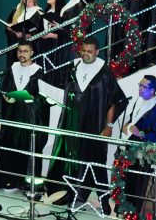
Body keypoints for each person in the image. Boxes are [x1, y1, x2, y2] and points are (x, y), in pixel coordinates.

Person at [46, 37, 126, 215]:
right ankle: (71, 194)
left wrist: (109, 125)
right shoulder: (74, 68)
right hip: (73, 124)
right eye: (83, 50)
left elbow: (113, 101)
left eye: (89, 51)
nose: (85, 54)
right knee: (72, 162)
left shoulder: (104, 73)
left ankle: (104, 200)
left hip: (95, 126)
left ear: (97, 52)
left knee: (97, 164)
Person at [0, 41, 50, 191]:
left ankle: (28, 184)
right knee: (10, 147)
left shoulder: (39, 72)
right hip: (12, 116)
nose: (21, 54)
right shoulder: (12, 69)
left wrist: (31, 99)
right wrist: (6, 97)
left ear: (32, 53)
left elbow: (44, 98)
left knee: (28, 149)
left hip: (29, 118)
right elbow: (6, 90)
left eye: (25, 51)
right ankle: (9, 180)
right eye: (19, 51)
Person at [119, 75, 156, 217]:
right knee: (130, 182)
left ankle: (141, 213)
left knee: (142, 186)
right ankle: (129, 210)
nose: (140, 89)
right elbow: (133, 119)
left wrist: (141, 133)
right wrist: (126, 125)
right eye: (139, 85)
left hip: (146, 156)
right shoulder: (138, 101)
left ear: (152, 90)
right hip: (133, 151)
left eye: (143, 86)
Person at [49, 0, 94, 87]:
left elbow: (80, 31)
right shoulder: (69, 4)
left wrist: (61, 27)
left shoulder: (82, 6)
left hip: (72, 48)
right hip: (63, 45)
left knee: (69, 77)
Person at [4, 0, 45, 66]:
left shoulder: (38, 12)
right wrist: (10, 28)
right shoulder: (17, 11)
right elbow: (9, 26)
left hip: (30, 47)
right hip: (16, 46)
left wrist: (26, 35)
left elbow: (40, 32)